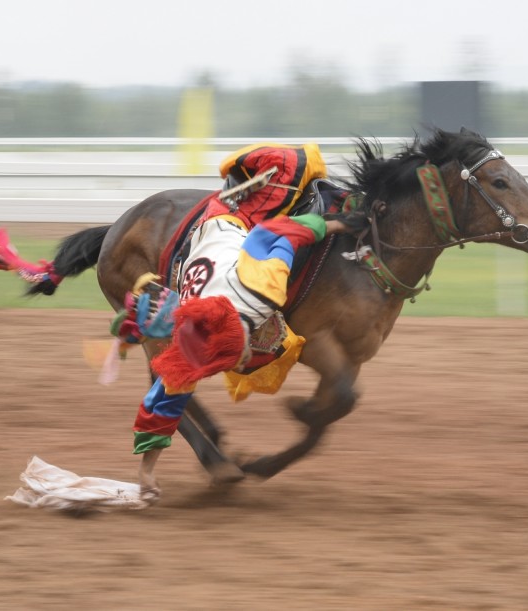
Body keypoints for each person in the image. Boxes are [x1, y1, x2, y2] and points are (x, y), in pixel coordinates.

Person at [131, 143, 360, 501]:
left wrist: (334, 224)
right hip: (209, 252)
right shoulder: (191, 353)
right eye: (238, 361)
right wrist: (145, 470)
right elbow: (159, 410)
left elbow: (276, 233)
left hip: (229, 217)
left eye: (237, 357)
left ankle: (232, 164)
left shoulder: (259, 293)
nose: (240, 363)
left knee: (300, 162)